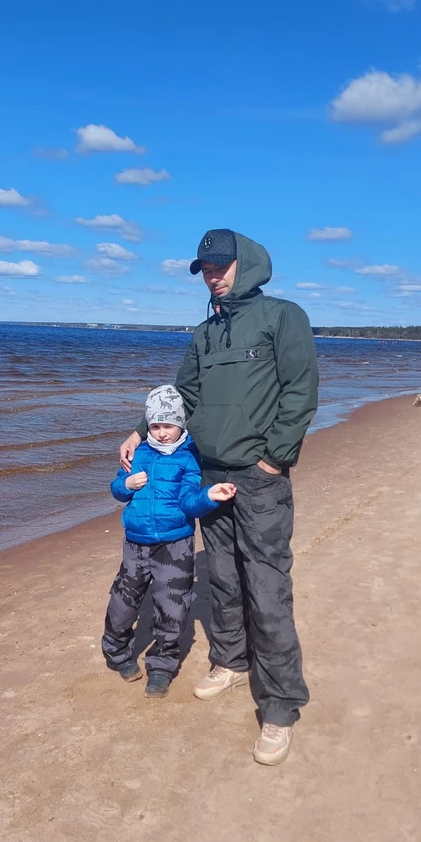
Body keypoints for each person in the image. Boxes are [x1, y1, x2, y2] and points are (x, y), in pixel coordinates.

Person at [119, 229, 319, 765]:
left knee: (267, 585)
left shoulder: (282, 317)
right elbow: (183, 394)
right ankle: (230, 662)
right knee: (224, 578)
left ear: (246, 264)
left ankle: (279, 705)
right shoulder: (206, 333)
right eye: (205, 267)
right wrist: (142, 429)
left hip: (259, 478)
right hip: (207, 478)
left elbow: (301, 392)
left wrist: (273, 459)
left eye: (221, 265)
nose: (213, 274)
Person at [103, 385, 236, 698]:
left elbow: (190, 503)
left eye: (169, 425)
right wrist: (126, 483)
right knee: (123, 603)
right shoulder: (138, 453)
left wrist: (209, 496)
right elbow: (117, 489)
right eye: (155, 426)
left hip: (175, 545)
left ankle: (161, 666)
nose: (162, 433)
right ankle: (118, 652)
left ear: (182, 424)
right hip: (135, 543)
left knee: (171, 606)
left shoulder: (189, 457)